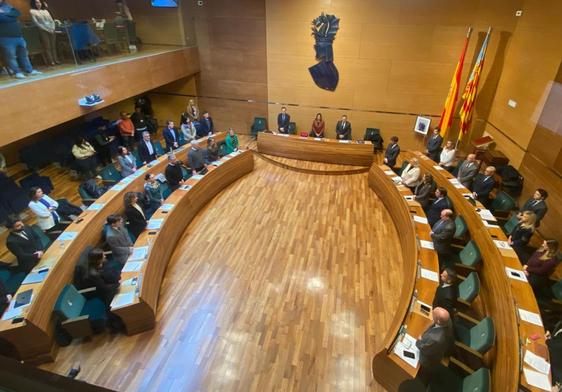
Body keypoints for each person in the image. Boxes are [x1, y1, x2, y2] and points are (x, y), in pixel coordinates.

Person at [0, 0, 42, 79]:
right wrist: (10, 16)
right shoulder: (8, 9)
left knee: (24, 54)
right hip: (5, 37)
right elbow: (3, 19)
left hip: (18, 35)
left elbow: (17, 13)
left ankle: (29, 70)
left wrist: (4, 14)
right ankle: (17, 72)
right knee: (11, 56)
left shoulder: (6, 6)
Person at [415, 307, 453, 385]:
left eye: (434, 314)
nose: (432, 313)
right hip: (436, 348)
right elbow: (433, 323)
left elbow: (425, 350)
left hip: (428, 361)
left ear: (438, 321)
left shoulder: (436, 340)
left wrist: (418, 341)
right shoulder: (447, 321)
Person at [29, 0, 58, 66]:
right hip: (43, 30)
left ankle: (56, 60)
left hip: (51, 29)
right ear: (33, 3)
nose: (38, 4)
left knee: (53, 46)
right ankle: (51, 61)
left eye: (39, 2)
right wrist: (46, 29)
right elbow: (36, 23)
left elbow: (51, 20)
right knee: (47, 47)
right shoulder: (32, 11)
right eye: (36, 2)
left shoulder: (45, 11)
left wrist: (53, 28)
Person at [546, 320, 562, 387]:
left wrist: (548, 341)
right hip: (551, 357)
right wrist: (550, 337)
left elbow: (557, 346)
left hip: (555, 375)